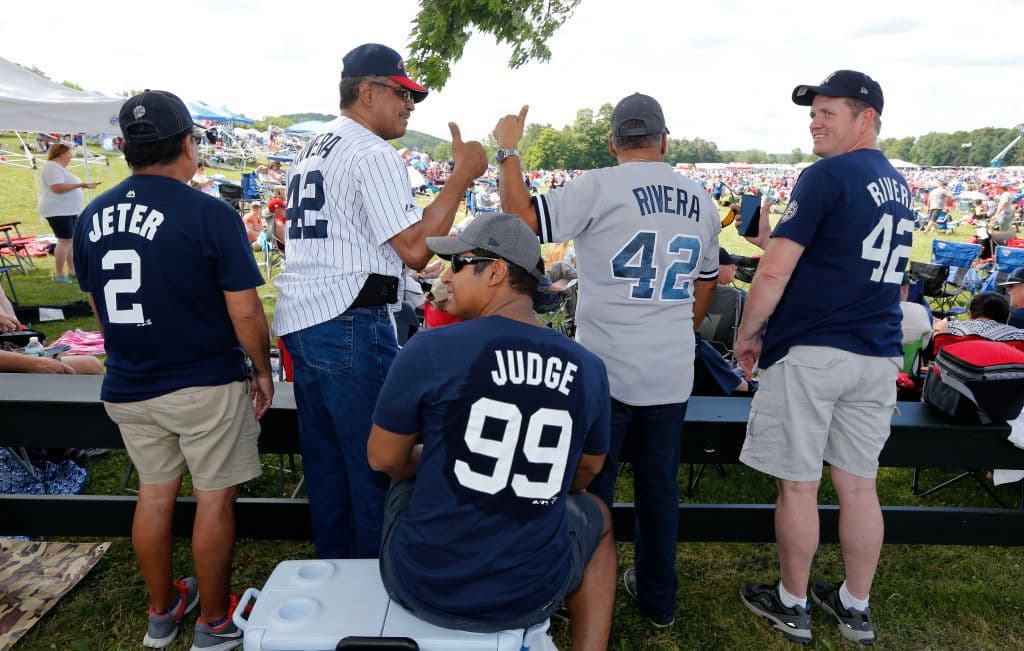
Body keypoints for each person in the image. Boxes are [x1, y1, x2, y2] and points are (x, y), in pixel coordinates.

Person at [494, 94, 721, 627]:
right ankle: (658, 599)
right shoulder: (702, 199)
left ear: (614, 142)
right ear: (664, 140)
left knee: (589, 489)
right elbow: (706, 283)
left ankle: (579, 596)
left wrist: (508, 150)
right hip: (669, 369)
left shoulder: (598, 184)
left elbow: (520, 218)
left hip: (605, 367)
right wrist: (676, 332)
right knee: (659, 491)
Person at [73, 90, 273, 651]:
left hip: (131, 380)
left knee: (154, 495)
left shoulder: (92, 214)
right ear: (186, 142)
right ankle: (213, 623)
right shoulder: (210, 212)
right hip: (203, 381)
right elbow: (245, 309)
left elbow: (98, 308)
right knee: (214, 498)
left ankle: (162, 612)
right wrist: (261, 369)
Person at [272, 43, 487, 560]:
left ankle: (335, 578)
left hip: (306, 315)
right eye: (401, 91)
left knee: (327, 471)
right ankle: (372, 593)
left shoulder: (314, 145)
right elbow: (415, 250)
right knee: (376, 465)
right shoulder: (372, 152)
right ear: (367, 91)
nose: (411, 104)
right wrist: (460, 176)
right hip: (350, 317)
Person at [367, 213, 614, 649]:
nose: (447, 275)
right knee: (598, 514)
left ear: (495, 271)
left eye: (457, 264)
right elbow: (584, 472)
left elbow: (384, 458)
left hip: (421, 584)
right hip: (532, 591)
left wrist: (440, 458)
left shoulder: (429, 348)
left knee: (403, 483)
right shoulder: (589, 367)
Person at [734, 70, 912, 646]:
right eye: (814, 111)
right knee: (860, 487)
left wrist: (749, 332)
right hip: (877, 351)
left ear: (866, 119)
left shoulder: (827, 174)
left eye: (829, 111)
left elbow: (776, 269)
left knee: (800, 485)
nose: (815, 119)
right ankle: (855, 606)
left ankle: (792, 602)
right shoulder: (899, 183)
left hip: (815, 351)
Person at [37, 143, 98, 282]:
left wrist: (81, 187)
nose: (71, 157)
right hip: (58, 210)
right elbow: (57, 188)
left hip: (67, 210)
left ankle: (73, 270)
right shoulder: (51, 167)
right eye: (69, 154)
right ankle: (58, 274)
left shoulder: (56, 167)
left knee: (71, 241)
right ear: (61, 154)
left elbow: (63, 187)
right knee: (65, 241)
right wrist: (80, 185)